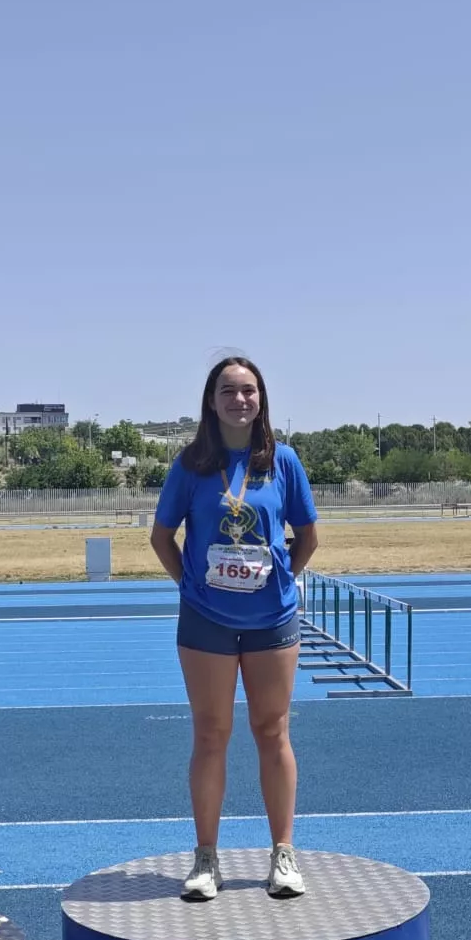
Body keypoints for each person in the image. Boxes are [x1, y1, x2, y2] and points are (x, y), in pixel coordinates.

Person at [149, 356, 319, 901]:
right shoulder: (191, 464)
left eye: (249, 391)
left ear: (261, 400)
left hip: (272, 621)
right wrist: (190, 586)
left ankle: (283, 853)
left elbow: (308, 537)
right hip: (206, 624)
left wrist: (281, 582)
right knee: (210, 734)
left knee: (273, 732)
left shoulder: (284, 462)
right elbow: (161, 537)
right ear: (211, 400)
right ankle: (205, 858)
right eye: (228, 390)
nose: (239, 399)